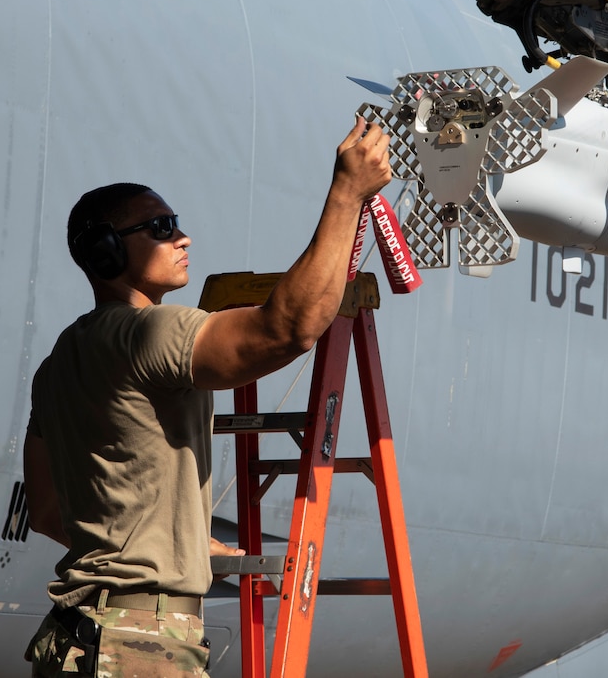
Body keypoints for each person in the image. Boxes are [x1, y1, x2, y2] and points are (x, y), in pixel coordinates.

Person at [22, 116, 392, 676]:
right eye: (160, 226)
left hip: (78, 638)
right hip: (138, 645)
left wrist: (178, 545)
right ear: (105, 253)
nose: (182, 236)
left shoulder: (58, 364)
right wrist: (346, 194)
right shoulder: (149, 332)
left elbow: (50, 510)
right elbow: (286, 329)